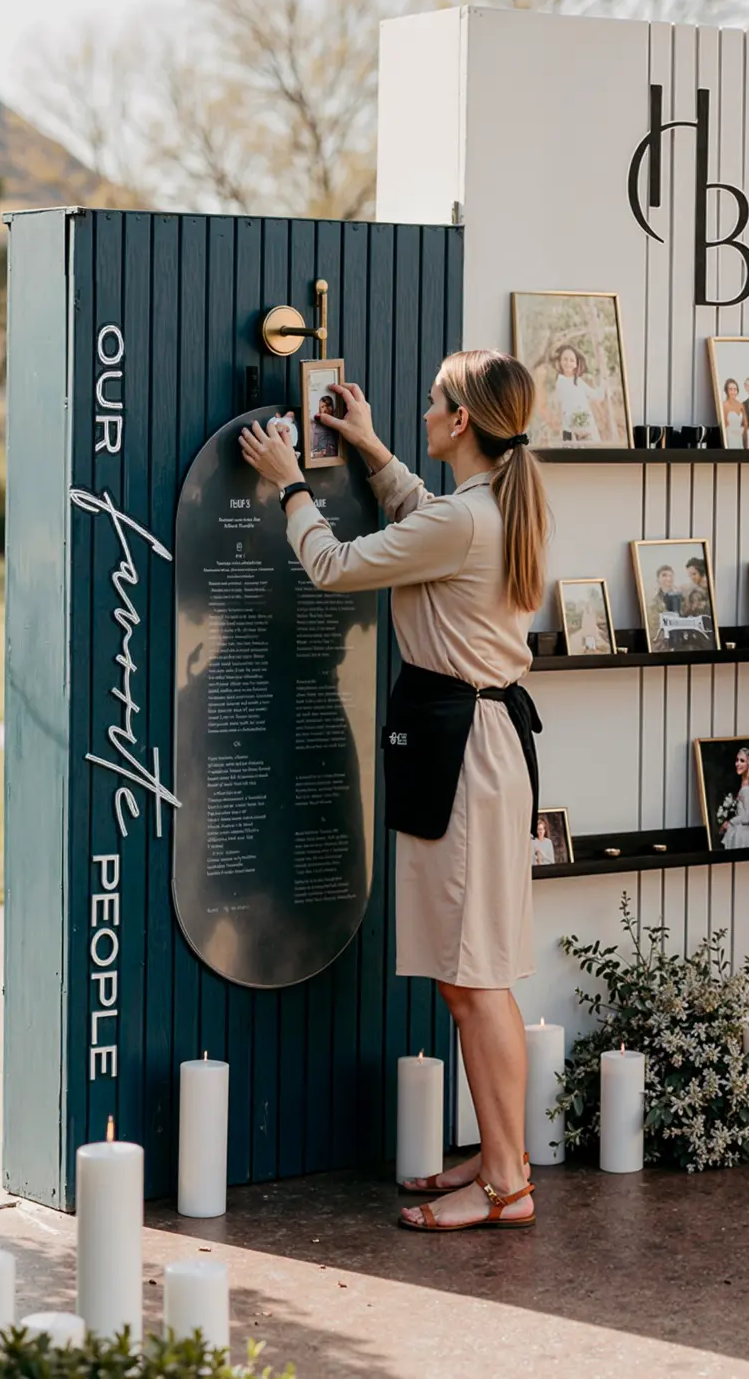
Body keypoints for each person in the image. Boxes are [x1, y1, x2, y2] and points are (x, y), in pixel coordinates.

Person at [239, 350, 551, 1234]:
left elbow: (335, 567)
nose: (422, 410)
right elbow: (425, 518)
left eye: (432, 401)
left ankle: (506, 1183)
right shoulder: (487, 505)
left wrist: (290, 483)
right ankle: (504, 1159)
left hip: (466, 758)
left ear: (461, 423)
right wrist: (373, 451)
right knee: (469, 977)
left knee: (474, 979)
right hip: (471, 750)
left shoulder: (469, 519)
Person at [548, 344, 600, 442]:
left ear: (576, 364)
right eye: (565, 359)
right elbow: (561, 406)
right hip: (569, 427)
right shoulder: (560, 382)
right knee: (572, 452)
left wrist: (603, 386)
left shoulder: (579, 382)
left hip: (585, 425)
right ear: (560, 361)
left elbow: (594, 395)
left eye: (572, 360)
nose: (568, 363)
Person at [719, 378, 749, 444]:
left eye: (735, 389)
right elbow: (723, 427)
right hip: (729, 438)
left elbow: (745, 425)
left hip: (739, 438)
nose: (733, 392)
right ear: (727, 391)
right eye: (730, 389)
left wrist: (745, 445)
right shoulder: (724, 405)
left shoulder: (741, 405)